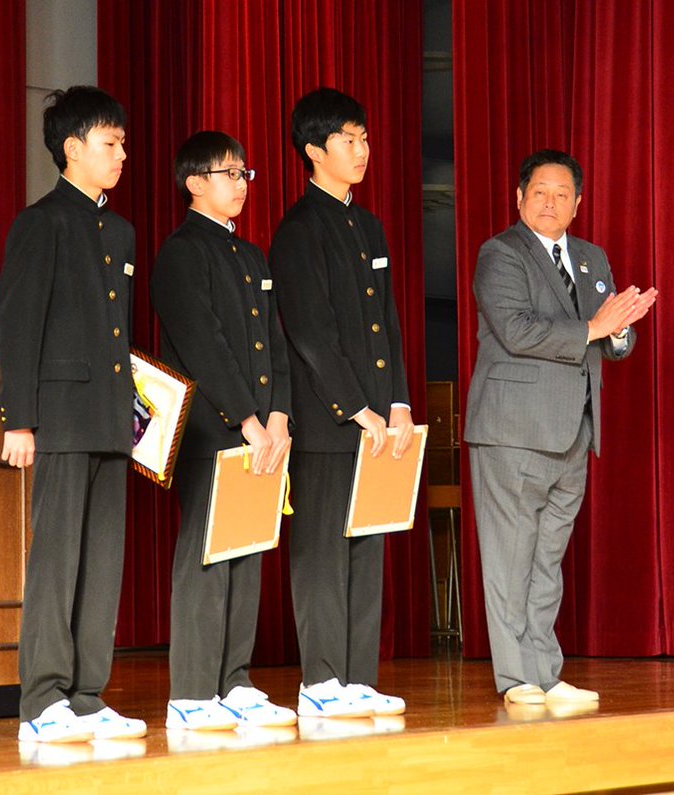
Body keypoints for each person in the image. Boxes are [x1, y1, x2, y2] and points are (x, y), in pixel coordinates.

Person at [464, 149, 657, 706]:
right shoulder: (500, 254)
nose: (550, 203)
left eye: (562, 194)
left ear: (578, 204)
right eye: (539, 192)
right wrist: (597, 326)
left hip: (574, 429)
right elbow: (518, 331)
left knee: (547, 558)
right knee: (511, 557)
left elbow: (609, 339)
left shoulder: (592, 258)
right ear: (519, 198)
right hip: (513, 430)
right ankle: (515, 677)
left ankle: (545, 672)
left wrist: (620, 333)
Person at [0, 85, 146, 743]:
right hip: (58, 416)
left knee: (102, 560)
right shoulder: (42, 221)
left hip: (110, 418)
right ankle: (41, 700)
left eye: (121, 143)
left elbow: (120, 336)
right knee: (58, 560)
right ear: (72, 147)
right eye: (109, 143)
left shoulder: (120, 230)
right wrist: (18, 419)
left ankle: (86, 693)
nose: (121, 154)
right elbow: (19, 322)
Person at [269, 87, 413, 719]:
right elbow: (309, 331)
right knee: (322, 549)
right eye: (348, 140)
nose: (362, 150)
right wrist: (358, 408)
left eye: (364, 138)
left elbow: (387, 323)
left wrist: (401, 403)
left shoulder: (369, 224)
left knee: (366, 545)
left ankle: (357, 677)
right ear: (313, 151)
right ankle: (320, 682)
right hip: (331, 421)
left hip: (381, 419)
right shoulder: (299, 229)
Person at [150, 131, 296, 731]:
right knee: (208, 552)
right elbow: (202, 346)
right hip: (216, 426)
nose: (240, 184)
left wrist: (279, 415)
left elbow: (276, 343)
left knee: (247, 547)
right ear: (194, 183)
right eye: (228, 173)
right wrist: (246, 418)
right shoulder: (182, 252)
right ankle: (191, 692)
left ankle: (233, 680)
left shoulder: (252, 255)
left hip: (263, 426)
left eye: (243, 173)